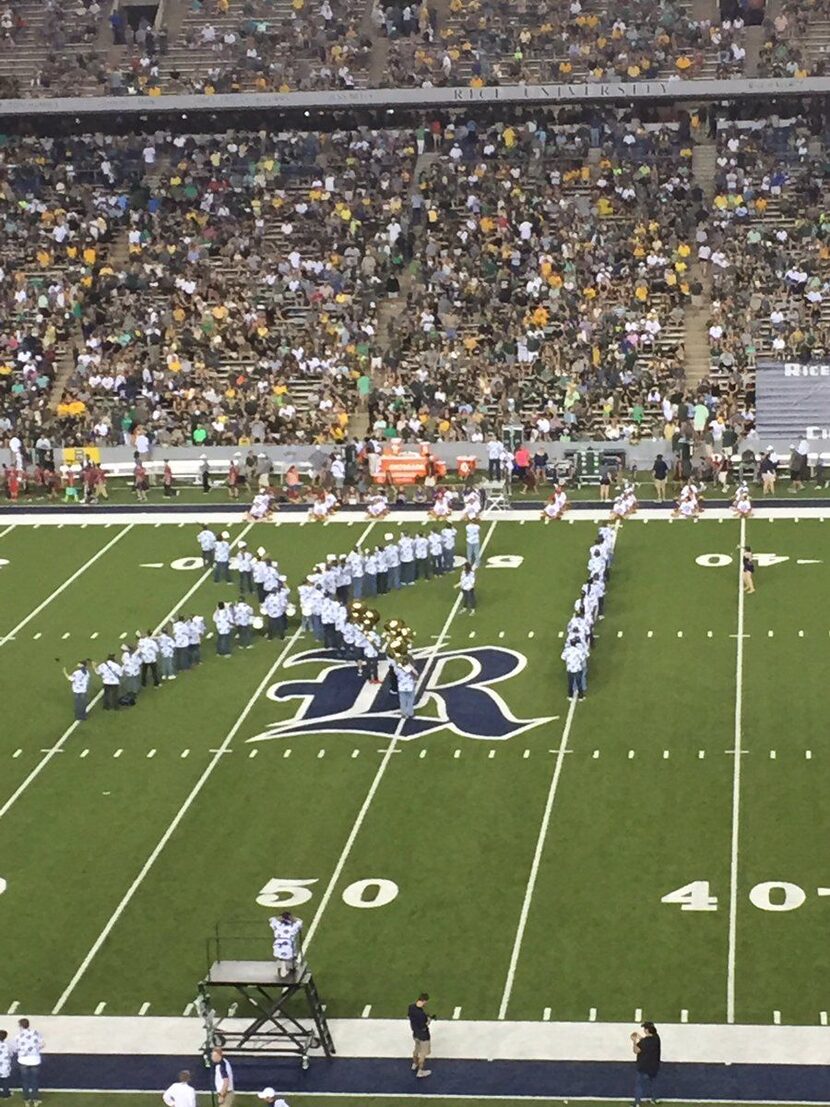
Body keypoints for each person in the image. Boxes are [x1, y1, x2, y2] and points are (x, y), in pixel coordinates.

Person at [12, 1018, 43, 1107]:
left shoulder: (18, 1036)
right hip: (35, 1060)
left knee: (25, 1081)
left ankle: (26, 1100)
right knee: (34, 1081)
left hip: (23, 1061)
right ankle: (36, 1099)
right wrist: (35, 1050)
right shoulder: (35, 1033)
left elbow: (15, 1048)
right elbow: (42, 1044)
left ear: (21, 1026)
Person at [631, 1021, 661, 1106]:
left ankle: (637, 1103)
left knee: (639, 1085)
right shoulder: (656, 1038)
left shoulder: (643, 1043)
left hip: (643, 1066)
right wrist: (640, 1038)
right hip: (654, 1066)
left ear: (647, 1030)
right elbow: (647, 1041)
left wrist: (634, 1041)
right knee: (653, 1084)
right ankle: (654, 1099)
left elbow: (636, 1050)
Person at [269, 911, 303, 977]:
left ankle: (283, 966)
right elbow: (300, 921)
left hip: (277, 947)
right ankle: (288, 967)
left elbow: (271, 919)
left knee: (282, 958)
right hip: (288, 947)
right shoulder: (293, 927)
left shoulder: (277, 925)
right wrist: (293, 918)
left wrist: (280, 918)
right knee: (290, 955)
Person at [407, 993, 432, 1079]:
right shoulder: (421, 1014)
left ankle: (414, 1064)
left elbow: (409, 1017)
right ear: (424, 1001)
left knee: (416, 1049)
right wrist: (429, 1020)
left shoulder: (411, 1007)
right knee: (423, 1054)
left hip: (415, 1033)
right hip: (423, 1036)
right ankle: (420, 1071)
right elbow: (424, 1025)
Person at [0, 1029, 10, 1100]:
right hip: (5, 1066)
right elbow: (11, 1053)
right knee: (5, 1080)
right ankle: (5, 1094)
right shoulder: (8, 1045)